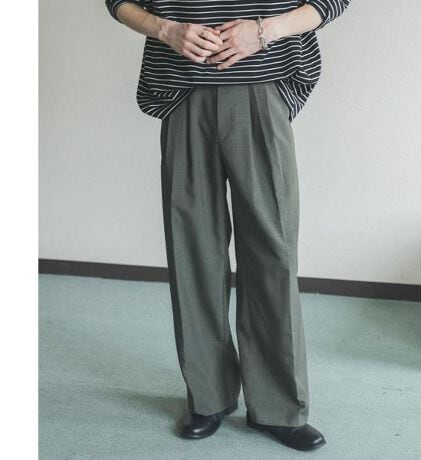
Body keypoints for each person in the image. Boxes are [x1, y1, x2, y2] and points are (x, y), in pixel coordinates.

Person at [105, 0, 351, 451]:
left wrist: (264, 31)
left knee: (272, 249)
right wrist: (165, 29)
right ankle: (208, 395)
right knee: (193, 248)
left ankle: (278, 406)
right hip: (183, 90)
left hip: (262, 85)